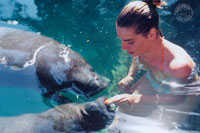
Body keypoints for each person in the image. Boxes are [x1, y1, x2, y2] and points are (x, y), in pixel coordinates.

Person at [105, 0, 200, 111]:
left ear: (152, 34)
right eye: (122, 41)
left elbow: (178, 99)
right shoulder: (141, 48)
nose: (124, 48)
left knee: (163, 126)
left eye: (130, 42)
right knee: (123, 114)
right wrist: (131, 75)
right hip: (154, 80)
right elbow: (137, 58)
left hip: (184, 97)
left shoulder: (179, 66)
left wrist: (135, 98)